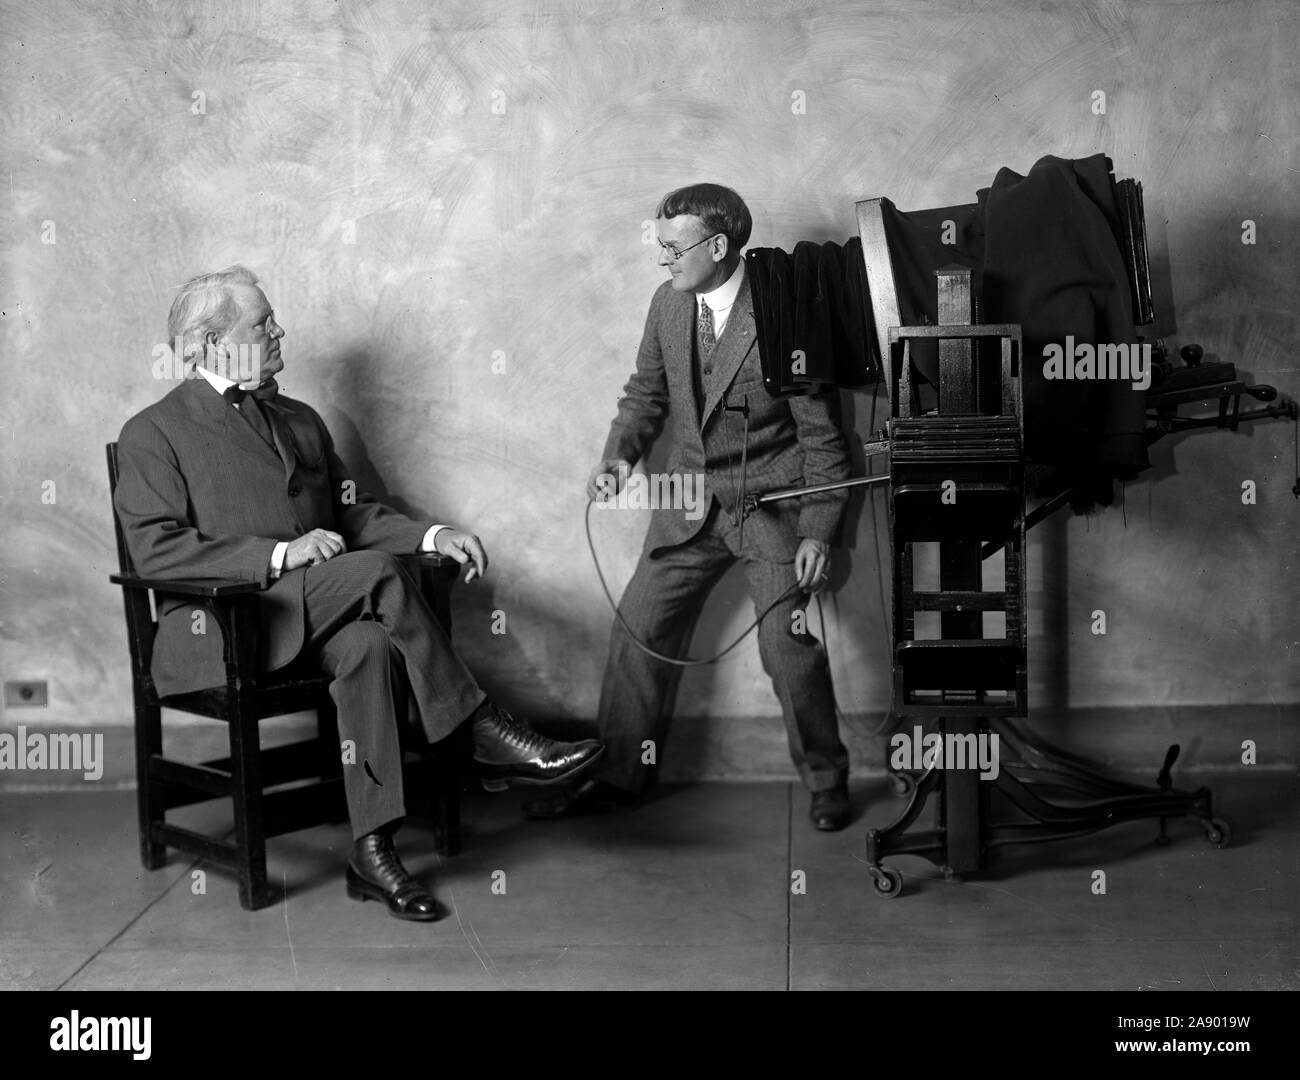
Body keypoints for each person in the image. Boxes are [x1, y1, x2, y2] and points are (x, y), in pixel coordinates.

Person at [114, 266, 603, 921]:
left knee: (371, 644)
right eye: (261, 322)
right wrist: (282, 554)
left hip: (319, 614)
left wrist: (432, 536)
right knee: (376, 574)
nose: (279, 329)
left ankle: (372, 852)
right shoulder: (156, 432)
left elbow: (352, 514)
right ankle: (480, 731)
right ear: (208, 343)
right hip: (223, 628)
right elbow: (156, 549)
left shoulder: (299, 420)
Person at [524, 184, 854, 830]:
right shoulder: (668, 306)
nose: (662, 260)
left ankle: (826, 779)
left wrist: (818, 532)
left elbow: (823, 439)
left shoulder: (785, 313)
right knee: (639, 628)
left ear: (719, 246)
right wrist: (618, 455)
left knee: (786, 649)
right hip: (687, 505)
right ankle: (619, 778)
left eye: (673, 248)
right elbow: (646, 393)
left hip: (770, 506)